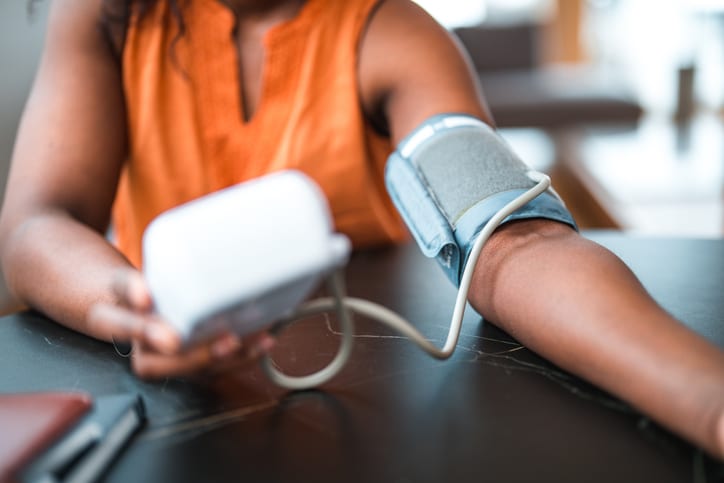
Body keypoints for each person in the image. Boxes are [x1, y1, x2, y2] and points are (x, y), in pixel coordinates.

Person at [1, 0, 723, 458]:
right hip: (164, 406)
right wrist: (131, 304)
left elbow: (511, 247)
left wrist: (710, 402)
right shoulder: (105, 17)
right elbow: (38, 220)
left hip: (359, 419)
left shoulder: (391, 36)